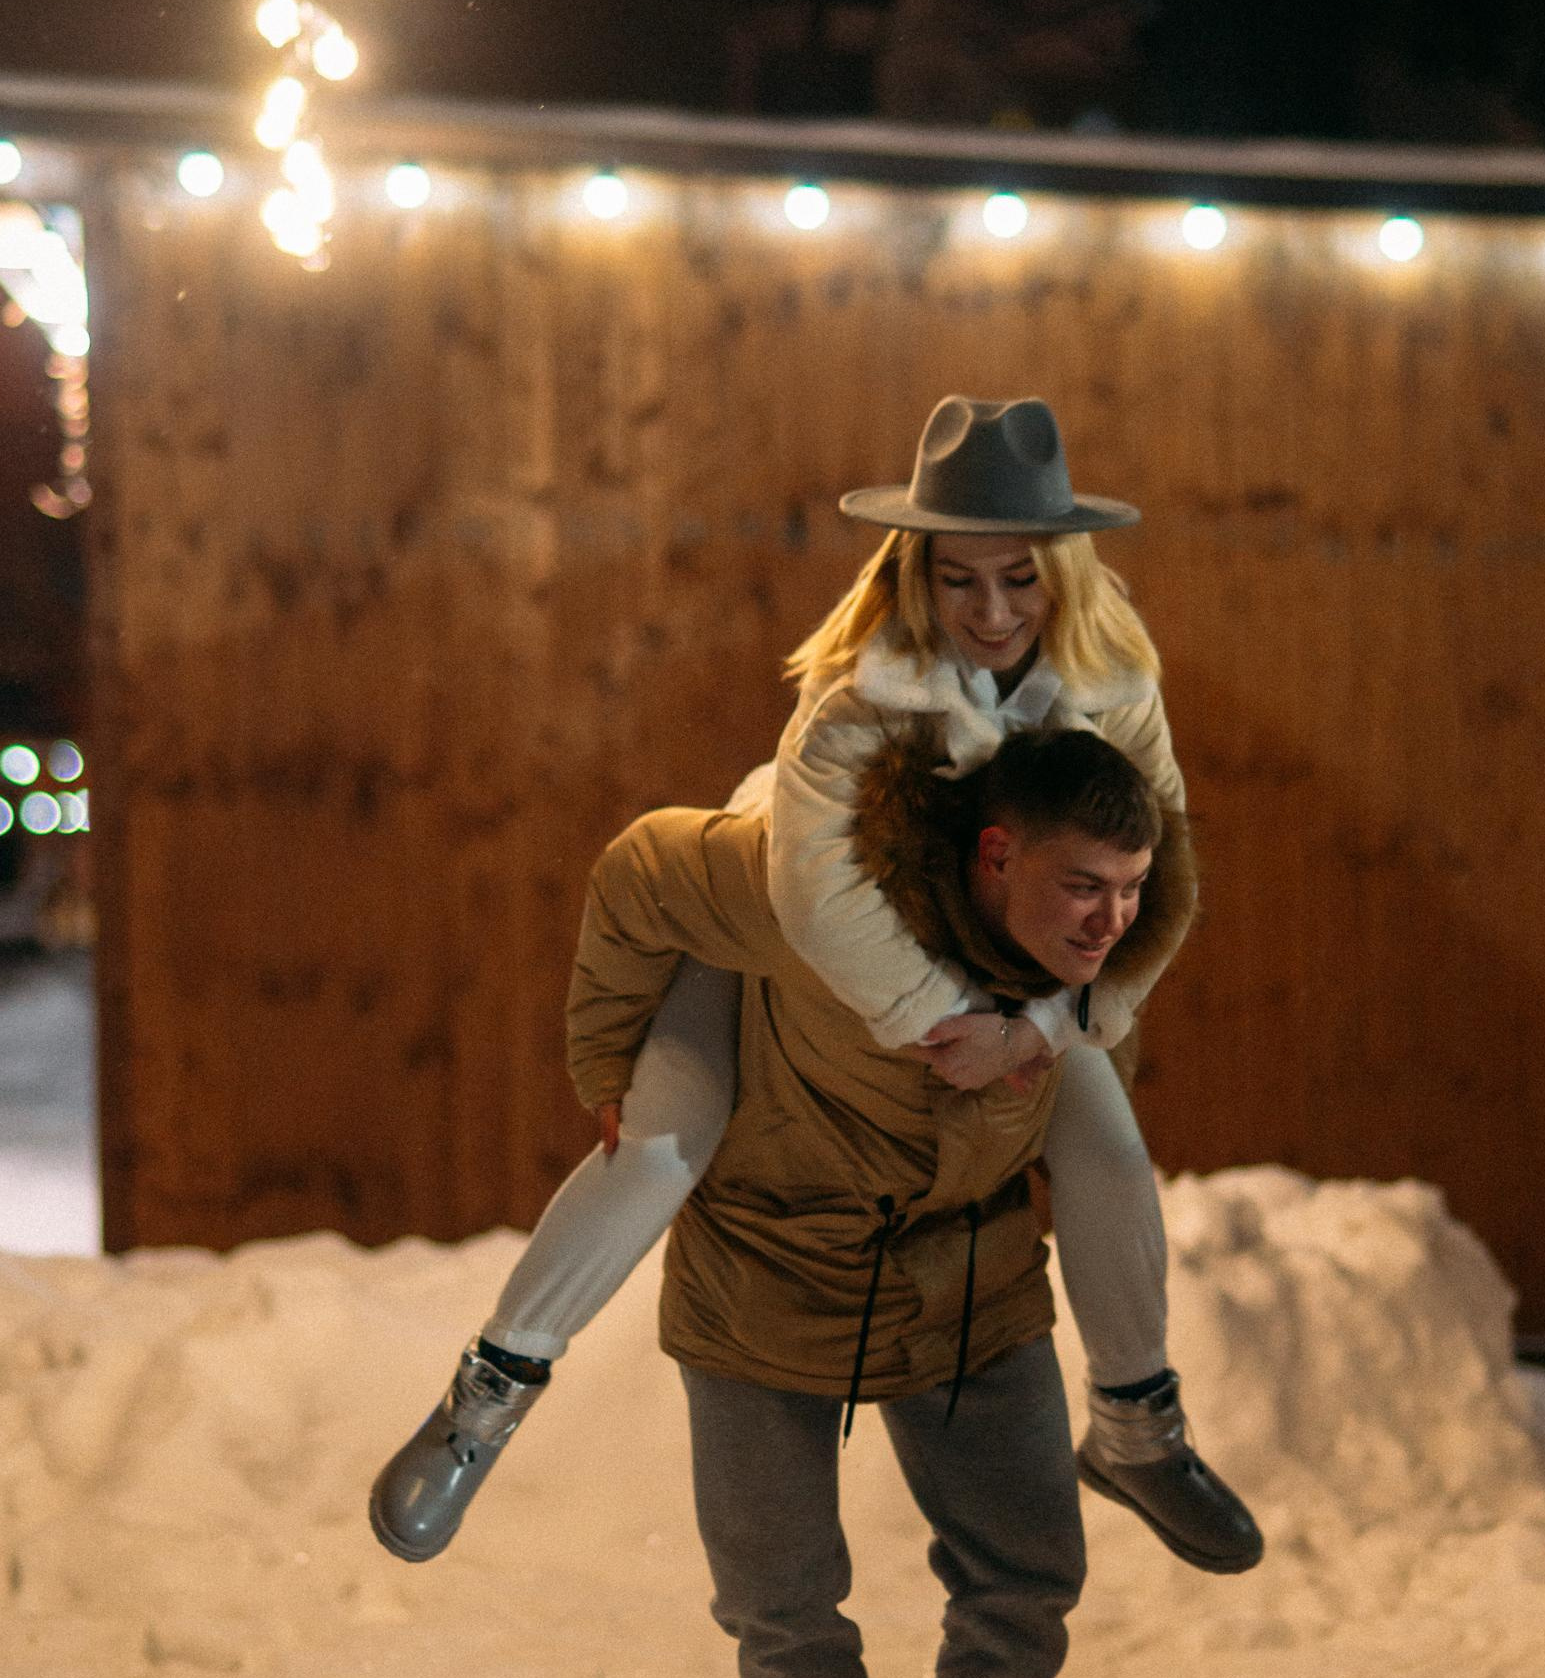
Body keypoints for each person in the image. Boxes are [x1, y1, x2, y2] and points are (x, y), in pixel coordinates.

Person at [371, 397, 1260, 1573]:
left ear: (1063, 575)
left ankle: (1139, 1428)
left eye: (1018, 581)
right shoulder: (859, 700)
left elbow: (1165, 867)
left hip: (995, 958)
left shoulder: (1117, 685)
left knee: (1105, 1139)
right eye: (958, 582)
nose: (990, 613)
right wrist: (952, 1023)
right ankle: (487, 1397)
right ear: (914, 576)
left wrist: (1043, 1026)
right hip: (771, 927)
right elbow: (818, 901)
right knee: (660, 1145)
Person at [554, 719, 1230, 1678]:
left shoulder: (1091, 972)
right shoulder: (803, 890)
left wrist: (1038, 1026)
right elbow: (639, 872)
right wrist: (607, 1060)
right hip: (762, 1273)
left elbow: (1104, 1058)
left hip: (969, 1285)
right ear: (994, 856)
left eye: (1130, 892)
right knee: (780, 1602)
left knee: (1027, 1572)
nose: (1109, 920)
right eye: (1081, 887)